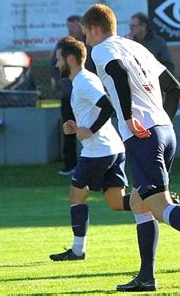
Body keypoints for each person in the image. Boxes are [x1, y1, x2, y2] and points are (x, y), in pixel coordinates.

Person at [81, 4, 180, 292]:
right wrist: (161, 123)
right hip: (164, 131)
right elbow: (175, 88)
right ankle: (146, 277)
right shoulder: (136, 47)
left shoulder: (102, 49)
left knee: (160, 206)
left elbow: (117, 73)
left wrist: (129, 118)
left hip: (142, 135)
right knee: (141, 204)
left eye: (86, 34)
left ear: (95, 28)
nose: (86, 41)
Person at [49, 36, 131, 261]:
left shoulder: (84, 81)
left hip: (98, 151)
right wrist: (77, 128)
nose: (57, 65)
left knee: (76, 195)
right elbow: (96, 111)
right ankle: (157, 200)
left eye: (59, 60)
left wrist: (91, 130)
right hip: (111, 148)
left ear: (71, 59)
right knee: (116, 202)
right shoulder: (83, 81)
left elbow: (108, 106)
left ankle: (77, 251)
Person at [51, 15, 96, 176]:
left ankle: (94, 162)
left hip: (86, 96)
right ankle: (70, 163)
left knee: (89, 126)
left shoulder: (89, 43)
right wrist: (62, 82)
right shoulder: (63, 45)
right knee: (69, 128)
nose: (71, 30)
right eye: (68, 27)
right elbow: (54, 67)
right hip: (68, 94)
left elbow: (106, 105)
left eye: (74, 26)